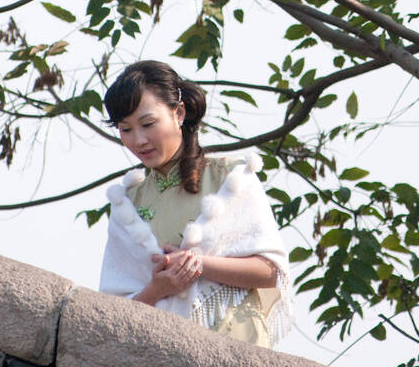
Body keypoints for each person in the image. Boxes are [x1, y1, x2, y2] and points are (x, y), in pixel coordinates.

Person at [98, 60, 293, 348]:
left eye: (148, 123)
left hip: (239, 348)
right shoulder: (127, 204)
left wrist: (198, 265)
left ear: (178, 113)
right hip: (164, 356)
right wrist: (159, 287)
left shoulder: (230, 177)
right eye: (125, 129)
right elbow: (114, 313)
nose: (138, 140)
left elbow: (272, 271)